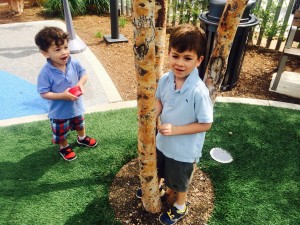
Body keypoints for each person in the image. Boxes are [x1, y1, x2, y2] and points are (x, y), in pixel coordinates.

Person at [137, 24, 213, 225]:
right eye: (175, 55)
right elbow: (160, 100)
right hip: (163, 142)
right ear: (169, 53)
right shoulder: (164, 79)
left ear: (199, 60)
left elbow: (206, 124)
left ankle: (181, 206)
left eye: (187, 58)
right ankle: (155, 188)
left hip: (184, 150)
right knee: (160, 168)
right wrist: (153, 115)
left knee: (180, 181)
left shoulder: (198, 91)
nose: (180, 63)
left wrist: (176, 130)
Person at [35, 26, 98, 161]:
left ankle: (82, 138)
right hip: (59, 112)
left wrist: (80, 84)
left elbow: (84, 74)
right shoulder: (46, 72)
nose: (64, 52)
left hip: (76, 106)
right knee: (61, 132)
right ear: (45, 53)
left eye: (65, 47)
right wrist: (62, 96)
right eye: (57, 50)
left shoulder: (73, 62)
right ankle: (64, 147)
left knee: (79, 123)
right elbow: (44, 93)